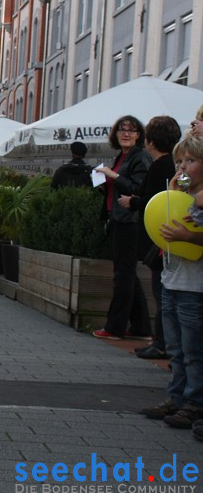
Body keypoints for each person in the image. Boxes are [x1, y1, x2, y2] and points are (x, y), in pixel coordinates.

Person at [139, 135, 203, 430]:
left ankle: (194, 403)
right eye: (179, 162)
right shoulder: (178, 194)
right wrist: (174, 190)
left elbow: (193, 235)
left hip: (194, 286)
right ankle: (176, 395)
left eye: (190, 161)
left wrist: (189, 237)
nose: (183, 168)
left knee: (192, 351)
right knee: (176, 349)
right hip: (172, 279)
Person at [118, 116, 181, 360]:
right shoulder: (168, 164)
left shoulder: (161, 166)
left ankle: (162, 343)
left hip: (160, 239)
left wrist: (132, 201)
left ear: (151, 139)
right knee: (162, 292)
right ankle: (161, 341)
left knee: (162, 293)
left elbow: (156, 202)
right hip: (161, 238)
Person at [92, 115, 153, 340]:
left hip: (130, 221)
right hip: (118, 219)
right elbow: (117, 187)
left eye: (132, 130)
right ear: (116, 134)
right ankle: (142, 328)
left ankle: (114, 328)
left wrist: (113, 175)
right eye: (122, 130)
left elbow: (138, 188)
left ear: (139, 135)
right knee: (128, 275)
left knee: (123, 276)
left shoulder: (140, 157)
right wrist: (103, 184)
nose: (126, 133)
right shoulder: (122, 156)